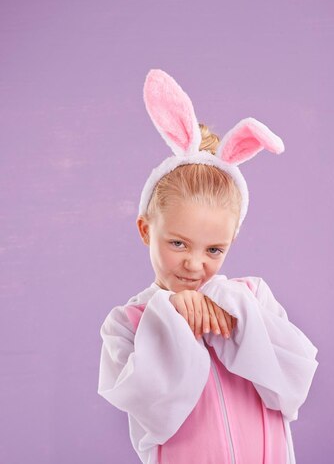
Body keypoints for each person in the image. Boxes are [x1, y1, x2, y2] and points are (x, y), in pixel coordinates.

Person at [97, 68, 319, 464]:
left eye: (214, 250)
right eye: (178, 243)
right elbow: (157, 416)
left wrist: (234, 311)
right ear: (147, 230)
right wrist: (171, 317)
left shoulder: (251, 298)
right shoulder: (127, 324)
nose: (194, 265)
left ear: (232, 241)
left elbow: (290, 388)